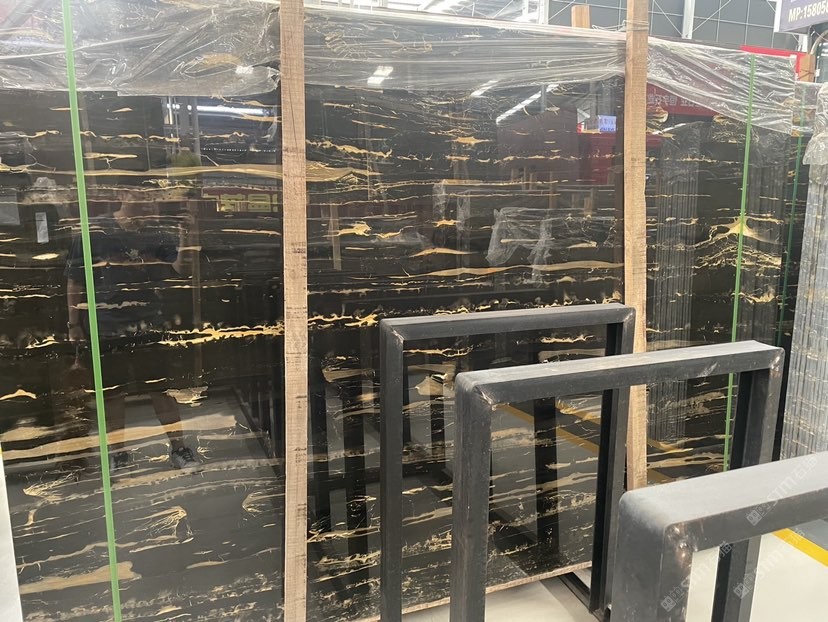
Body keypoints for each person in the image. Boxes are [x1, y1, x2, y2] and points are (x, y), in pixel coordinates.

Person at [66, 191, 200, 473]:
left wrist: (187, 234)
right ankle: (119, 453)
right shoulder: (95, 231)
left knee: (161, 389)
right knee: (113, 394)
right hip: (107, 324)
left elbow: (182, 269)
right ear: (122, 194)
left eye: (151, 194)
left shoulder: (157, 231)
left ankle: (179, 449)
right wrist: (73, 324)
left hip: (149, 323)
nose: (147, 200)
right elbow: (75, 280)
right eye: (140, 193)